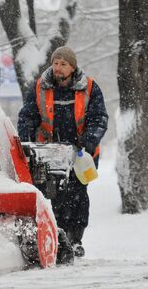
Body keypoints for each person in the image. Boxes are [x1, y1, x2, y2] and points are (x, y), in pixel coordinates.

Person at [17, 46, 108, 257]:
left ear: (72, 67)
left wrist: (87, 143)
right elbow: (27, 116)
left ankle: (75, 239)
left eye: (63, 64)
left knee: (78, 195)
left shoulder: (90, 88)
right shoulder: (40, 87)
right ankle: (58, 236)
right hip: (49, 152)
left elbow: (99, 119)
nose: (58, 68)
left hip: (80, 154)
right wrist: (27, 141)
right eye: (55, 63)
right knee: (56, 195)